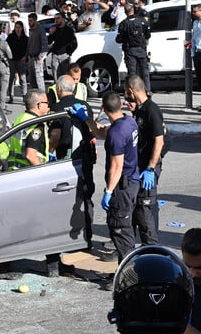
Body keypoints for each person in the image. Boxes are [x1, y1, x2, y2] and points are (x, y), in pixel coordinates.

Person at [52, 76, 96, 248]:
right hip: (85, 157)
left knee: (65, 198)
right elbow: (92, 130)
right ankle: (88, 237)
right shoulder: (85, 106)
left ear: (59, 89)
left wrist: (50, 153)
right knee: (86, 197)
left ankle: (66, 240)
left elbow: (55, 135)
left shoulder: (57, 108)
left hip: (66, 159)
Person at [124, 76, 165, 246]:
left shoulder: (151, 110)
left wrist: (151, 167)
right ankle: (134, 244)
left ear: (131, 91)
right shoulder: (139, 110)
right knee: (137, 208)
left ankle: (151, 247)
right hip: (138, 166)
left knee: (145, 208)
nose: (125, 96)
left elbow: (159, 140)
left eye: (126, 92)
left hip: (148, 166)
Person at [99, 91, 139, 263]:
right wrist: (86, 120)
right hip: (132, 182)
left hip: (121, 187)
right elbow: (103, 132)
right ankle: (126, 269)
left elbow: (116, 166)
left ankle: (128, 275)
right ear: (121, 104)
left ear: (103, 108)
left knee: (121, 231)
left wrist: (108, 191)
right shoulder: (129, 122)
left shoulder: (116, 133)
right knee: (125, 229)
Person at [8, 89, 51, 168]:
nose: (48, 106)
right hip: (28, 172)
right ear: (40, 105)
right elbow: (30, 155)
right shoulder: (36, 125)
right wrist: (43, 172)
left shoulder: (20, 118)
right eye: (47, 103)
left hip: (14, 168)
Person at [116, 1, 151, 93]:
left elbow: (119, 39)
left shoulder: (124, 24)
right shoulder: (143, 21)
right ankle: (147, 90)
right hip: (142, 50)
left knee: (132, 73)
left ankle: (133, 92)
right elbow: (148, 35)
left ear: (125, 12)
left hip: (130, 51)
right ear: (133, 10)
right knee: (144, 71)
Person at [47, 12, 76, 78]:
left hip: (64, 55)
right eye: (55, 19)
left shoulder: (69, 30)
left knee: (65, 76)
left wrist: (69, 53)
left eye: (58, 18)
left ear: (63, 19)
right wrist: (51, 33)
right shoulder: (55, 29)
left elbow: (74, 43)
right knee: (56, 76)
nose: (56, 20)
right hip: (55, 55)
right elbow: (49, 42)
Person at [6, 21, 28, 104]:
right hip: (11, 60)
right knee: (11, 79)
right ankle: (11, 96)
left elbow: (27, 49)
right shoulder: (11, 37)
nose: (18, 29)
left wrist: (25, 56)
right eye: (16, 27)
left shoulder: (25, 38)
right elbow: (6, 47)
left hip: (21, 60)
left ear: (22, 28)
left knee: (23, 78)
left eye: (19, 27)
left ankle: (24, 96)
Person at [26, 13, 49, 90]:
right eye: (29, 21)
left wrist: (41, 57)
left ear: (35, 20)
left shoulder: (40, 30)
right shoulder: (31, 31)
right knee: (32, 81)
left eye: (31, 21)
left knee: (39, 80)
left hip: (37, 58)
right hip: (31, 58)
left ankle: (42, 97)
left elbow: (45, 45)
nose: (29, 22)